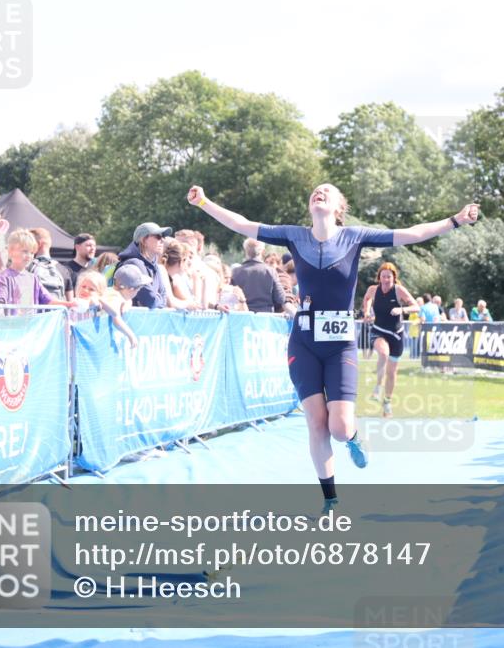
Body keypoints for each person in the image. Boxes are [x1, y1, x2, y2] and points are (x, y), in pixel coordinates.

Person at [187, 182, 479, 513]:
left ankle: (355, 437)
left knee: (339, 427)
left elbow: (412, 233)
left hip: (340, 345)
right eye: (314, 190)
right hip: (304, 340)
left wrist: (454, 220)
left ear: (339, 206)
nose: (319, 192)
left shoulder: (354, 237)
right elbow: (242, 224)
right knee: (316, 423)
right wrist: (205, 203)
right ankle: (331, 500)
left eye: (327, 191)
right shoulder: (295, 236)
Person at [362, 262, 419, 418]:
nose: (386, 279)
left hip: (396, 334)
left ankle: (387, 403)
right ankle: (378, 387)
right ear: (379, 277)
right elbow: (367, 299)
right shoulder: (373, 290)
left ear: (394, 277)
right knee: (383, 353)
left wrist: (402, 309)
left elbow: (416, 307)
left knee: (392, 373)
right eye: (383, 276)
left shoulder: (399, 291)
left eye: (389, 276)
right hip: (378, 330)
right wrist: (367, 312)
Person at [0, 229, 74, 309]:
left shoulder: (33, 279)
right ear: (10, 251)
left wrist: (70, 304)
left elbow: (48, 300)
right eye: (25, 251)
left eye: (32, 253)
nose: (29, 256)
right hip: (13, 323)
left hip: (32, 322)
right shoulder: (4, 278)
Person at [72, 269, 138, 348]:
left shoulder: (100, 304)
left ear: (100, 293)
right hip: (74, 344)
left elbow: (114, 314)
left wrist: (130, 335)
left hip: (90, 345)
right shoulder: (74, 301)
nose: (85, 290)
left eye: (91, 289)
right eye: (83, 286)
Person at [116, 223, 172, 309]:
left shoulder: (154, 265)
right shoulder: (134, 263)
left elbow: (164, 296)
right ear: (143, 240)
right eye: (158, 236)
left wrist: (158, 299)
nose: (163, 240)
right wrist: (158, 298)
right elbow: (150, 301)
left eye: (163, 237)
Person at [231, 237, 288, 314]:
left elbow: (231, 297)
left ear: (245, 251)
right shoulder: (270, 271)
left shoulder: (235, 272)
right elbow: (281, 298)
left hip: (242, 317)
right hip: (265, 318)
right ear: (263, 251)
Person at [27, 228, 69, 300]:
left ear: (39, 244)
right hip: (58, 310)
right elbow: (70, 302)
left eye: (29, 242)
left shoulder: (28, 267)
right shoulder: (64, 270)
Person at [64, 233, 97, 299]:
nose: (93, 248)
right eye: (89, 245)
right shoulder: (66, 269)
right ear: (77, 247)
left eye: (94, 246)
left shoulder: (94, 270)